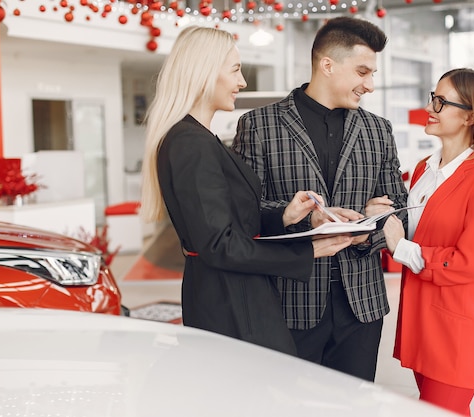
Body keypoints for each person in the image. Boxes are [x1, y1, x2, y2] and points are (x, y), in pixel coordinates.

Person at [140, 25, 353, 356]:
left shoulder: (198, 138)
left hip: (234, 292)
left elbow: (229, 222)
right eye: (236, 70)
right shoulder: (190, 143)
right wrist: (308, 251)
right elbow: (220, 244)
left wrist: (286, 214)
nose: (242, 82)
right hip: (228, 300)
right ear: (205, 73)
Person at [232, 16, 407, 381]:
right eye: (362, 72)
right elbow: (243, 210)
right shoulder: (259, 125)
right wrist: (300, 216)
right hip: (288, 303)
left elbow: (399, 209)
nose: (370, 85)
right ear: (327, 65)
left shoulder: (378, 130)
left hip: (361, 306)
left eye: (372, 74)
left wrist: (367, 231)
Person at [381, 68, 474, 416]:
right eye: (432, 97)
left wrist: (402, 247)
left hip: (456, 330)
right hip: (422, 319)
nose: (430, 107)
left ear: (470, 115)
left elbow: (469, 262)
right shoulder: (425, 168)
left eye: (441, 101)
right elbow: (418, 230)